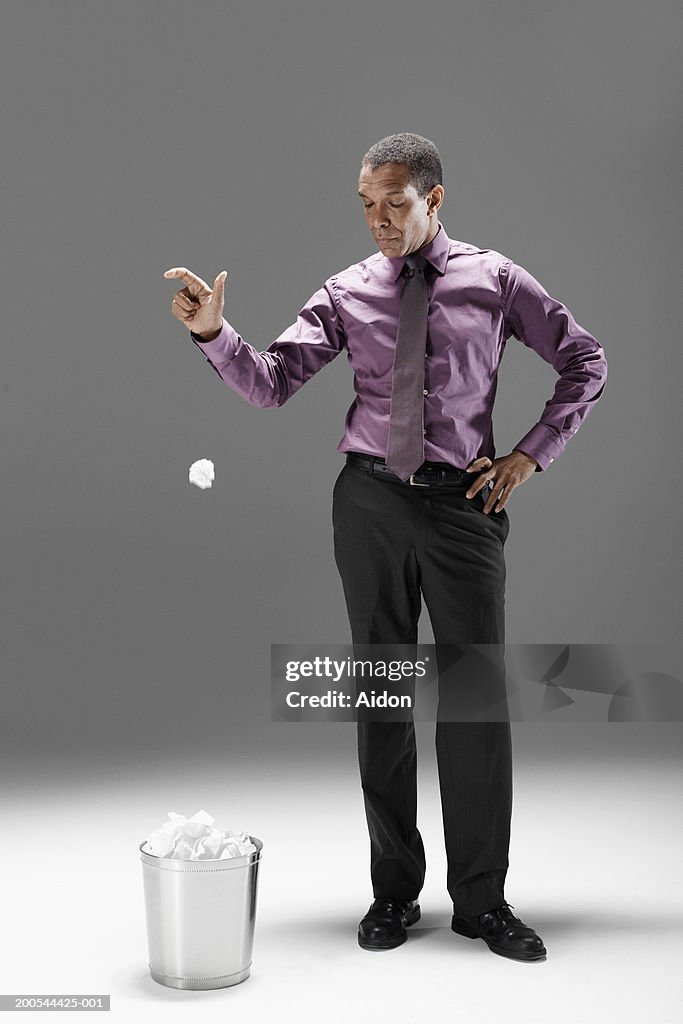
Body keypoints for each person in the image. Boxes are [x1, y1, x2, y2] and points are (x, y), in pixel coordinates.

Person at [164, 132, 608, 963]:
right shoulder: (346, 291)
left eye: (393, 204)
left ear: (434, 199)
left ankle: (481, 901)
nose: (377, 220)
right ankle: (392, 894)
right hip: (367, 501)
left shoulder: (495, 280)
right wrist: (216, 335)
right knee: (382, 692)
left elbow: (585, 360)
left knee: (474, 701)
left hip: (461, 507)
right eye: (365, 205)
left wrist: (528, 454)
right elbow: (269, 383)